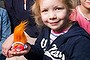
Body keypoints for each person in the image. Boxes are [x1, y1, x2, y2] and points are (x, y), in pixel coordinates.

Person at [3, 0, 90, 60]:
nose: (52, 16)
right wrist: (29, 49)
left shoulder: (80, 42)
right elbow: (40, 53)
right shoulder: (46, 30)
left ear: (69, 10)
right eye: (45, 11)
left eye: (58, 9)